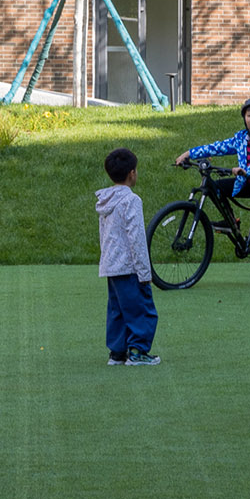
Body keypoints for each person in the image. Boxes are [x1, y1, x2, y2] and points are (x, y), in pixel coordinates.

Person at [177, 97, 250, 290]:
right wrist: (190, 153)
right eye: (249, 115)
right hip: (247, 184)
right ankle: (231, 221)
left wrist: (245, 170)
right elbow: (218, 146)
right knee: (216, 187)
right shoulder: (241, 138)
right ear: (244, 118)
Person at [97, 147, 159, 366]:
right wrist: (144, 271)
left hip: (111, 265)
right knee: (141, 309)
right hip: (129, 266)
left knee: (117, 310)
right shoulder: (131, 201)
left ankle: (117, 352)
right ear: (132, 173)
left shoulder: (105, 200)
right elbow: (137, 238)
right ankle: (138, 351)